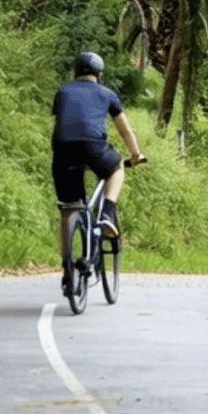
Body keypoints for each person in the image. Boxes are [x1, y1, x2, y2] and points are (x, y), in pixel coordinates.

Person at [52, 52, 146, 283]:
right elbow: (125, 130)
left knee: (68, 211)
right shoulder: (107, 94)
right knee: (116, 169)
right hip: (93, 147)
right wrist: (136, 155)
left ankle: (67, 270)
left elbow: (64, 123)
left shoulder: (62, 92)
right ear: (98, 74)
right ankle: (107, 212)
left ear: (77, 71)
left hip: (62, 151)